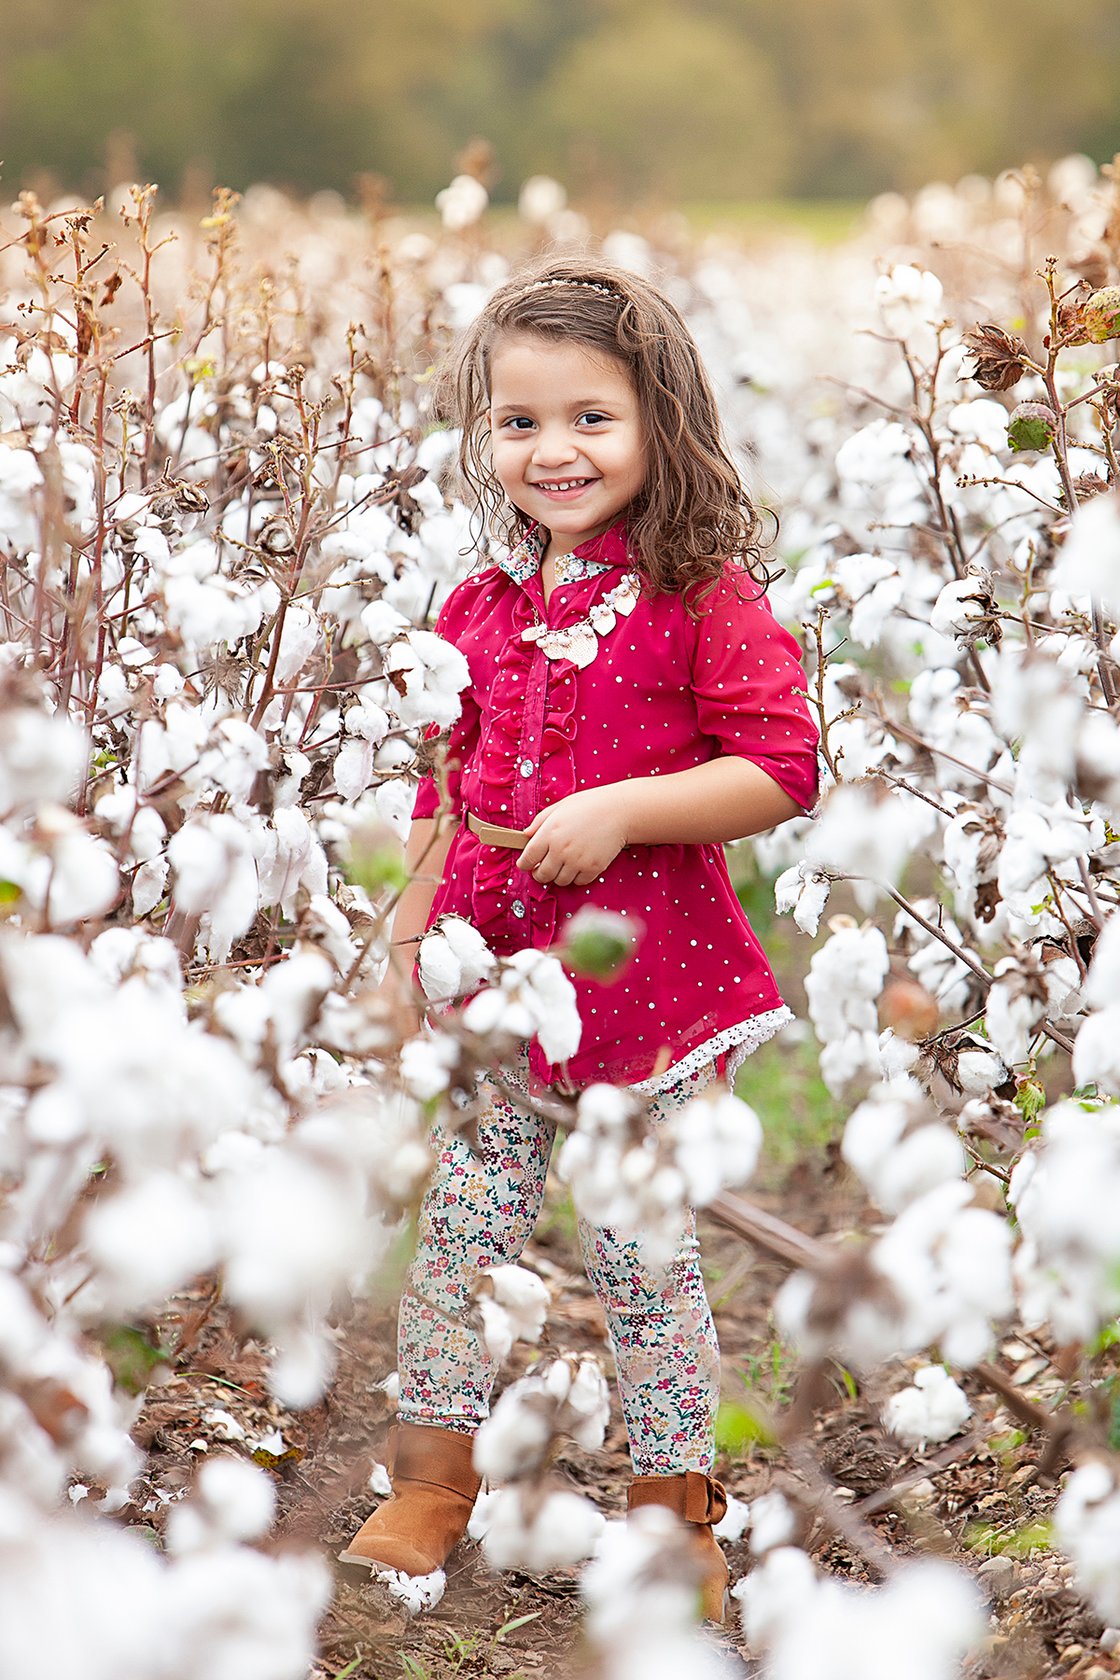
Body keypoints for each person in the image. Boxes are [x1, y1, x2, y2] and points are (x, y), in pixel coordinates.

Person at [338, 256, 820, 1621]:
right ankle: (431, 1476)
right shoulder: (478, 613)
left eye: (591, 419)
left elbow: (782, 768)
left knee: (642, 1257)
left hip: (649, 997)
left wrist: (621, 810)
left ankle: (673, 1513)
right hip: (492, 996)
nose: (554, 451)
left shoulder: (699, 596)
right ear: (486, 436)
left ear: (662, 422)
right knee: (459, 1237)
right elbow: (449, 786)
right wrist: (408, 950)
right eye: (520, 422)